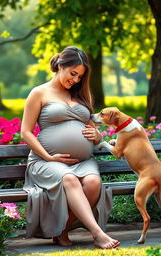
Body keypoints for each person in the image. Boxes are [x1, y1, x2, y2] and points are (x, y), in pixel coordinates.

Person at [21, 46, 120, 249]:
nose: (75, 80)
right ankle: (98, 234)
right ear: (60, 65)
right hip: (46, 161)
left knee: (93, 183)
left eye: (80, 77)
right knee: (69, 179)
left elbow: (92, 129)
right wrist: (49, 157)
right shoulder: (39, 92)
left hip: (83, 162)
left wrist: (98, 135)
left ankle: (62, 230)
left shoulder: (81, 95)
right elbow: (26, 132)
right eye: (72, 73)